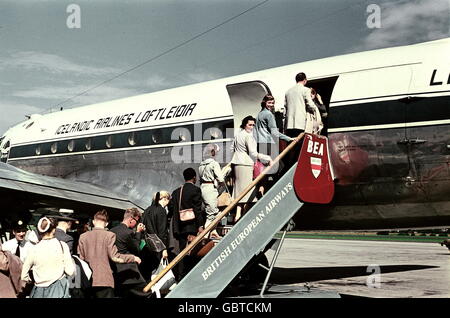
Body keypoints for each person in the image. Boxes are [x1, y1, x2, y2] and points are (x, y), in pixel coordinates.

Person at [77, 209, 140, 298]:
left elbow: (81, 258)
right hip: (104, 279)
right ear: (107, 223)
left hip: (87, 280)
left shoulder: (83, 237)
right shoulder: (109, 235)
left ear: (94, 222)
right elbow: (115, 257)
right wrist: (133, 258)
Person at [231, 116, 273, 222]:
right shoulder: (248, 136)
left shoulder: (238, 135)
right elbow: (253, 153)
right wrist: (267, 158)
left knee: (239, 191)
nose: (252, 127)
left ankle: (238, 215)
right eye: (250, 124)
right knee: (246, 192)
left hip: (237, 163)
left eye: (253, 125)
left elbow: (232, 148)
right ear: (244, 124)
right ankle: (241, 216)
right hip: (245, 164)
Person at [21, 217, 75, 298]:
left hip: (39, 290)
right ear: (54, 230)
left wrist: (34, 279)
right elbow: (70, 271)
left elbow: (24, 275)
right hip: (58, 289)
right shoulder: (62, 246)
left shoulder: (34, 249)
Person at [255, 94, 295, 196]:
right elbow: (275, 133)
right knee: (280, 167)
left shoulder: (259, 114)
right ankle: (277, 191)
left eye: (272, 103)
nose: (271, 105)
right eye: (269, 103)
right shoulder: (269, 115)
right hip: (269, 143)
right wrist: (289, 139)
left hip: (260, 144)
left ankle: (261, 189)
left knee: (265, 169)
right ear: (264, 102)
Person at [170, 168, 204, 280]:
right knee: (193, 252)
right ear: (194, 177)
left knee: (181, 252)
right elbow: (197, 210)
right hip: (192, 226)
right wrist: (200, 226)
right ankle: (191, 276)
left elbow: (171, 209)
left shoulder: (176, 192)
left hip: (180, 227)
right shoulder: (196, 190)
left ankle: (180, 276)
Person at [110, 207, 148, 298]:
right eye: (137, 221)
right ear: (131, 220)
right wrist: (138, 232)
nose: (137, 224)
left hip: (114, 269)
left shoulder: (111, 231)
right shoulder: (128, 233)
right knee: (146, 292)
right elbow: (137, 249)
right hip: (129, 270)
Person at [284, 72, 316, 167]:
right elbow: (310, 104)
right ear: (305, 80)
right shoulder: (306, 90)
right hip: (300, 124)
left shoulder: (288, 91)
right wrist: (315, 108)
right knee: (299, 148)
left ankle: (288, 168)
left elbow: (285, 109)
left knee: (290, 148)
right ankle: (296, 167)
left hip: (289, 125)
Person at [142, 191, 171, 279]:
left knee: (147, 273)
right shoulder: (161, 211)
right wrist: (164, 249)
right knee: (156, 273)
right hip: (157, 247)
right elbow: (162, 232)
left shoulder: (147, 210)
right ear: (165, 199)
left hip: (147, 245)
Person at [198, 144, 225, 239]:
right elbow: (221, 179)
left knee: (209, 212)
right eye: (217, 152)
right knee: (213, 214)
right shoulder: (214, 164)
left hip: (203, 188)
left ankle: (213, 232)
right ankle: (204, 237)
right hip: (210, 189)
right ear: (213, 152)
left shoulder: (201, 164)